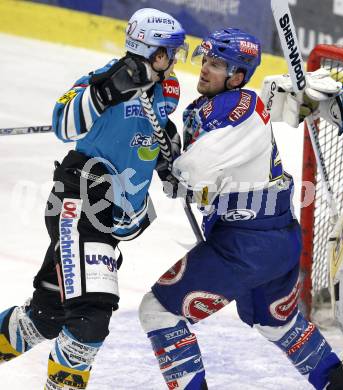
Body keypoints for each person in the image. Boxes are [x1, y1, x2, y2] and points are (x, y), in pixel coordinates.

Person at [138, 28, 343, 390]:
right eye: (206, 60)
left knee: (157, 311)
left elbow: (195, 175)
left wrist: (168, 163)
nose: (205, 69)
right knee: (277, 324)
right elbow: (202, 185)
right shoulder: (230, 104)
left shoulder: (240, 107)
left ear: (237, 76)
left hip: (245, 246)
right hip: (275, 241)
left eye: (217, 64)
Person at [0, 8, 187, 390]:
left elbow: (153, 132)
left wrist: (170, 151)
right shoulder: (103, 79)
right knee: (91, 316)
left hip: (109, 218)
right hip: (78, 205)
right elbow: (62, 123)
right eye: (170, 52)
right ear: (149, 51)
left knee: (46, 316)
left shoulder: (168, 90)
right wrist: (104, 93)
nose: (175, 59)